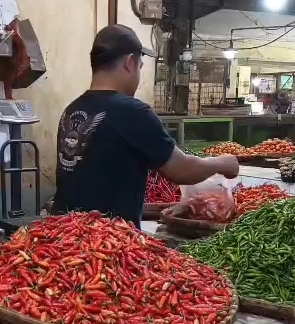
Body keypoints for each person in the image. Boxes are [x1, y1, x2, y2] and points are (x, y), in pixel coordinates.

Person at [50, 24, 239, 227]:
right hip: (109, 243)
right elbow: (181, 170)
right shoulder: (132, 111)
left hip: (65, 237)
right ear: (129, 63)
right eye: (140, 67)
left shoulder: (71, 110)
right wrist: (223, 163)